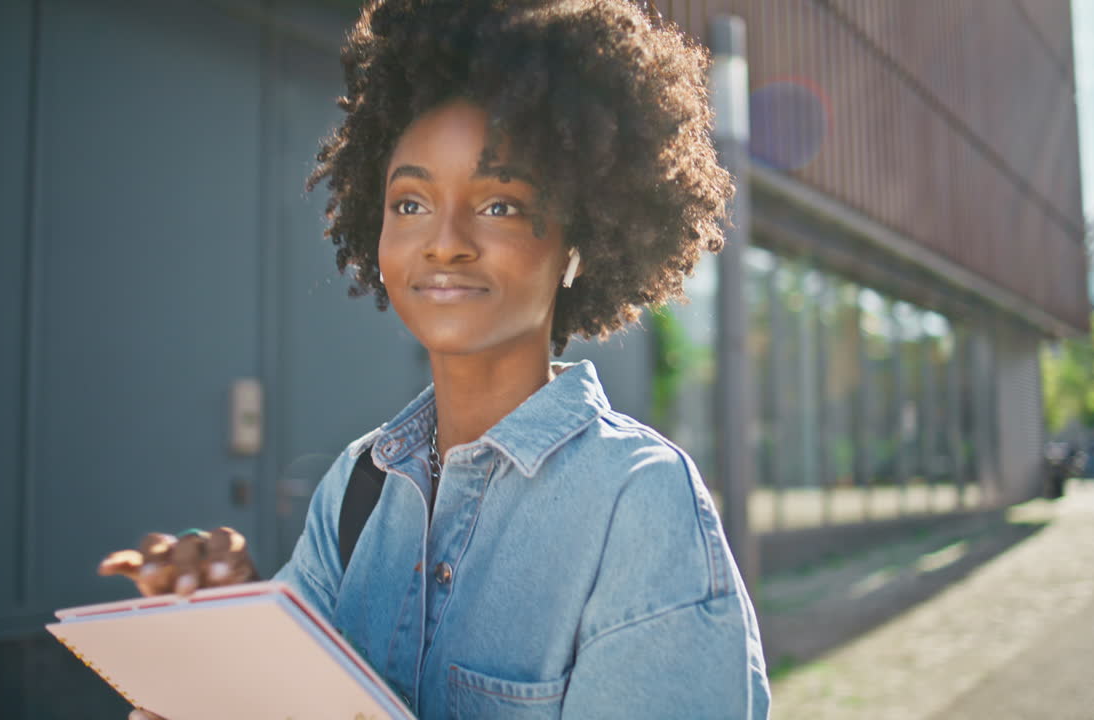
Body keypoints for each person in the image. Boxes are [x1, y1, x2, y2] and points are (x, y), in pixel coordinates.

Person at [99, 0, 771, 717]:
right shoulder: (357, 487)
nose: (444, 240)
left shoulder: (637, 501)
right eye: (411, 203)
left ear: (579, 245)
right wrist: (225, 650)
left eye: (500, 204)